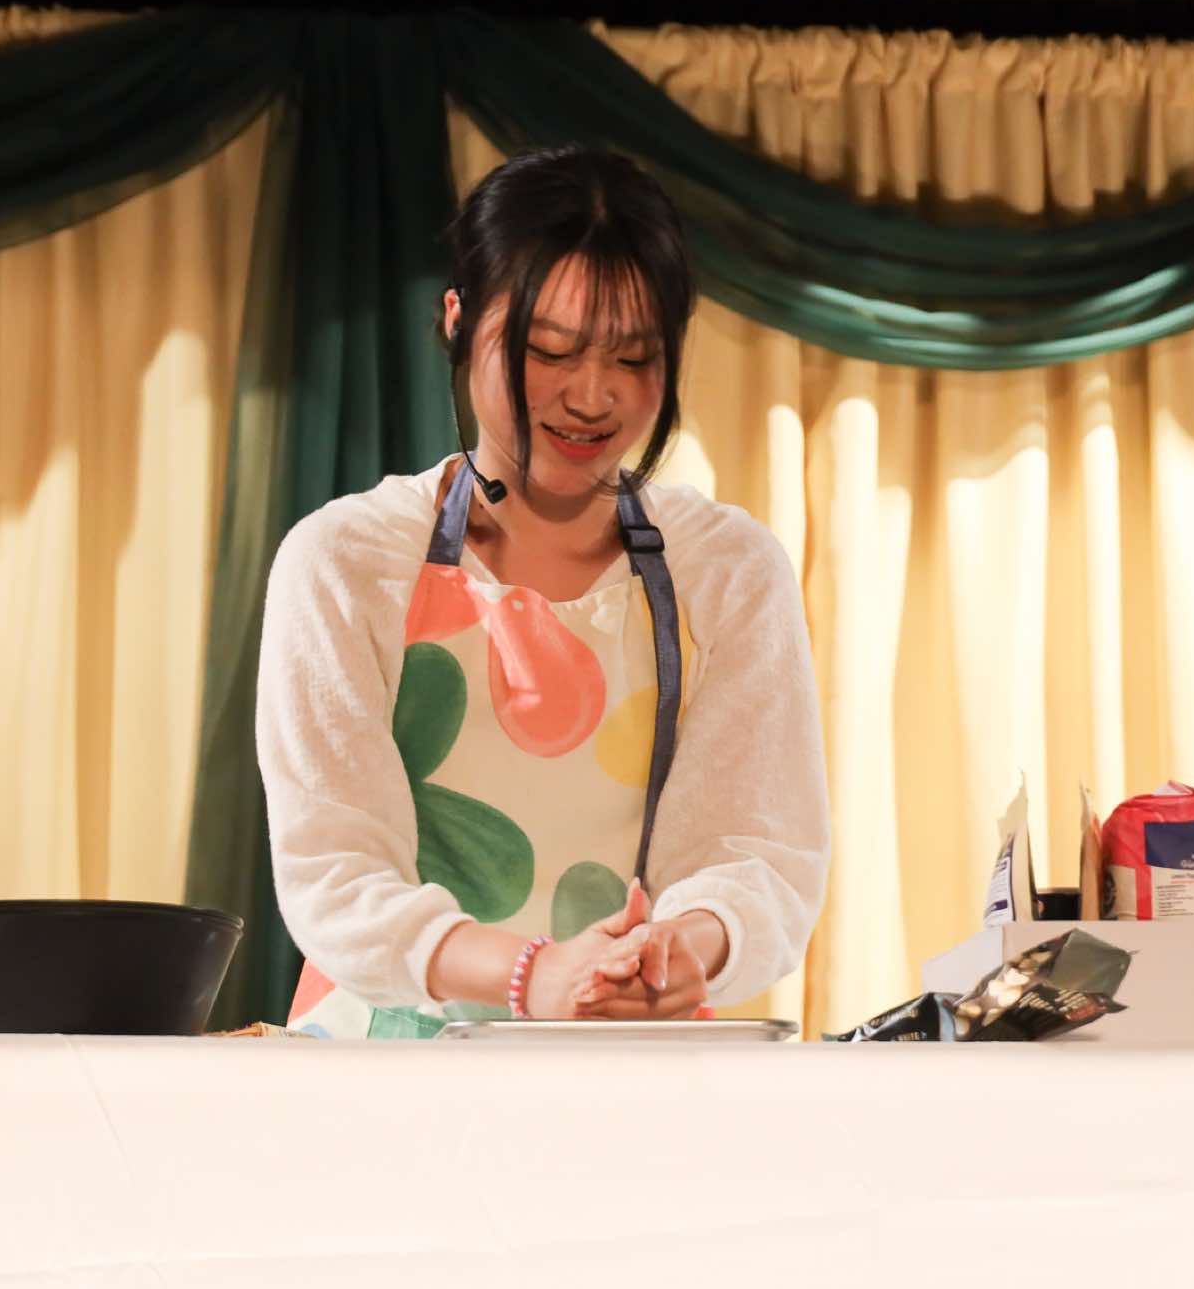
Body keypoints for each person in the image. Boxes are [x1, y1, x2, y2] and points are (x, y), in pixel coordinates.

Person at [256, 145, 829, 1038]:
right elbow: (336, 875)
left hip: (623, 1064)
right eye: (548, 349)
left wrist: (683, 948)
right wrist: (532, 974)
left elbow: (759, 854)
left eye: (634, 357)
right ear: (457, 320)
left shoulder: (728, 571)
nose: (592, 397)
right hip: (384, 1073)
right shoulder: (345, 561)